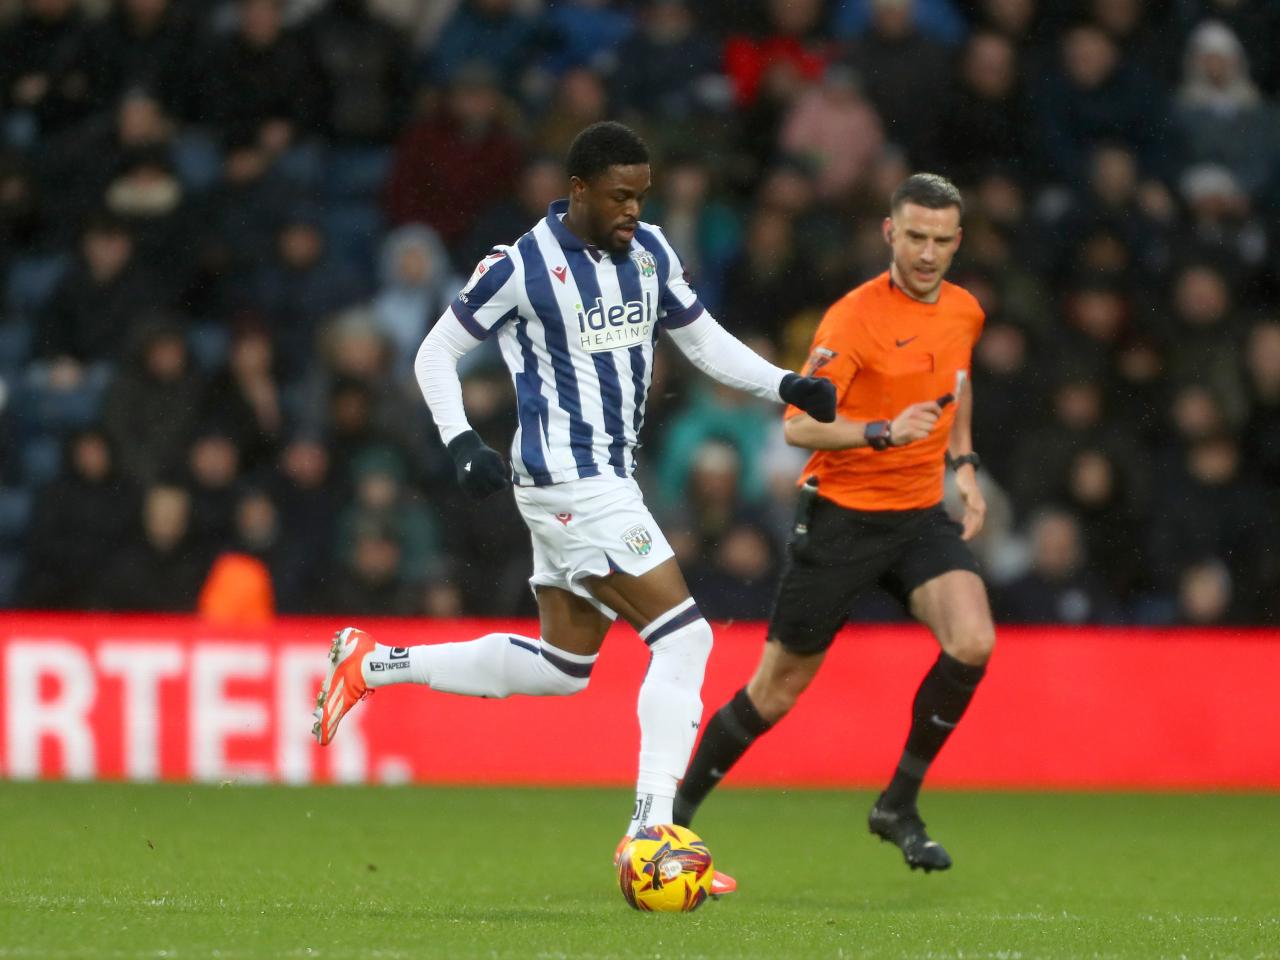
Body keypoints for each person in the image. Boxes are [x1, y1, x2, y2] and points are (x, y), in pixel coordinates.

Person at [310, 121, 836, 894]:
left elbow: (704, 341)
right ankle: (650, 833)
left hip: (599, 479)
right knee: (686, 639)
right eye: (620, 196)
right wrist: (460, 441)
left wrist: (784, 384)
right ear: (579, 189)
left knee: (564, 666)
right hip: (569, 481)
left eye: (642, 195)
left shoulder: (651, 252)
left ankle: (373, 664)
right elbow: (435, 352)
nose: (633, 210)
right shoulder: (521, 264)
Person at [672, 173, 996, 873]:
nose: (928, 253)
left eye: (941, 240)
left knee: (972, 641)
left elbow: (956, 385)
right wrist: (880, 431)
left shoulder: (965, 310)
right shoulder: (852, 320)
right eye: (915, 237)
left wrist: (963, 464)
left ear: (957, 241)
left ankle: (897, 805)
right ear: (889, 232)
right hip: (842, 521)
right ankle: (671, 818)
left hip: (916, 515)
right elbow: (796, 427)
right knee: (776, 692)